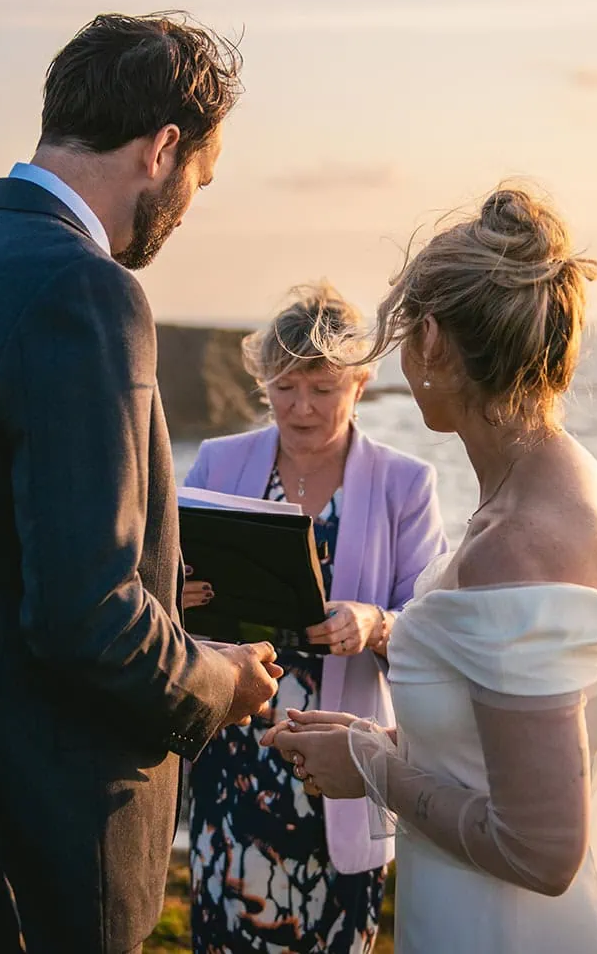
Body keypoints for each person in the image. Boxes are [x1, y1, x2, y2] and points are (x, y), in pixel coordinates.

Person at [0, 13, 284, 954]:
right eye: (200, 178)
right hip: (53, 826)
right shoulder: (87, 290)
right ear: (162, 149)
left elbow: (10, 539)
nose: (190, 205)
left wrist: (167, 579)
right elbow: (87, 614)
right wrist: (219, 679)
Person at [264, 187, 597, 953]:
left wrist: (371, 768)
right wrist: (375, 738)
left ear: (432, 339)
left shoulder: (514, 544)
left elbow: (539, 850)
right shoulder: (581, 486)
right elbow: (504, 750)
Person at [182, 283, 448, 953]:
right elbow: (164, 594)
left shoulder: (406, 484)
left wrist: (376, 623)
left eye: (323, 388)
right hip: (232, 758)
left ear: (360, 383)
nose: (301, 407)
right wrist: (176, 595)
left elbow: (436, 634)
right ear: (263, 383)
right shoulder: (217, 462)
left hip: (339, 768)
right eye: (285, 386)